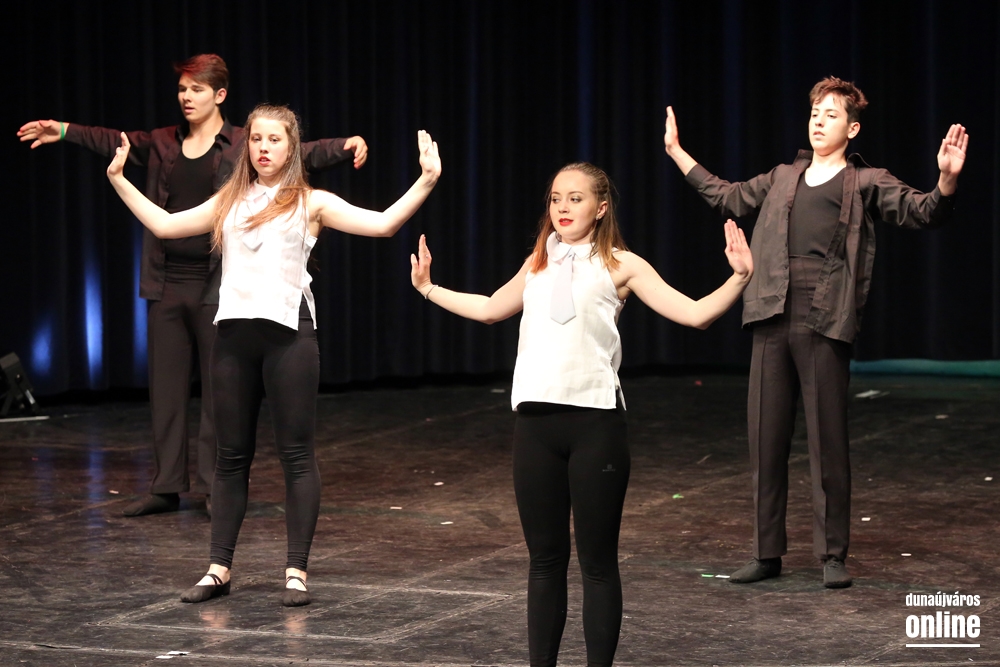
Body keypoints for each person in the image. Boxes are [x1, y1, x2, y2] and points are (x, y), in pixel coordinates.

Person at [410, 162, 752, 666]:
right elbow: (490, 308)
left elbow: (695, 314)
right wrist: (428, 288)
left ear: (601, 207)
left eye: (575, 198)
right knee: (544, 561)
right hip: (535, 426)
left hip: (595, 424)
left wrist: (740, 276)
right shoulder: (537, 262)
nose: (563, 208)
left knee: (597, 563)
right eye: (555, 198)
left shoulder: (622, 265)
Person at [104, 103, 441, 606]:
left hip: (289, 338)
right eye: (257, 139)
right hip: (233, 340)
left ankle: (296, 572)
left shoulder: (311, 202)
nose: (264, 148)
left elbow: (383, 224)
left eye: (275, 140)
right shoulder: (229, 200)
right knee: (229, 457)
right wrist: (119, 179)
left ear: (291, 147)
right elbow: (167, 225)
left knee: (297, 456)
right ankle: (218, 568)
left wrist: (427, 179)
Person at [17, 54, 368, 517]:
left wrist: (345, 145)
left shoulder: (243, 142)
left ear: (219, 95)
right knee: (165, 388)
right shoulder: (164, 141)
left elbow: (299, 149)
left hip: (218, 282)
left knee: (220, 391)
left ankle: (212, 487)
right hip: (167, 279)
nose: (186, 97)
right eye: (182, 89)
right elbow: (113, 141)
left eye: (196, 89)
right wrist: (63, 129)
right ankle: (165, 485)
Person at [663, 77, 968, 588]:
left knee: (828, 440)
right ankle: (766, 553)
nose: (819, 121)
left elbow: (922, 212)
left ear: (852, 128)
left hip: (825, 313)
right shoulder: (783, 176)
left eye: (831, 114)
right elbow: (728, 197)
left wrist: (946, 181)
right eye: (814, 113)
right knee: (765, 438)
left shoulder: (866, 180)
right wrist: (676, 151)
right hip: (770, 309)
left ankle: (832, 554)